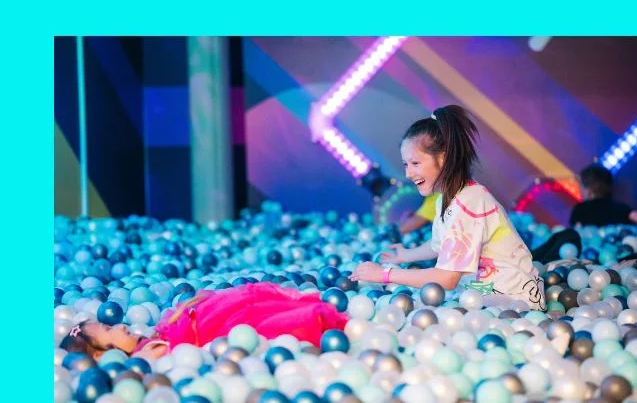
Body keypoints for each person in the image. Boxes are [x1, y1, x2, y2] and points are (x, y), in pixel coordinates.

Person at [350, 105, 545, 310]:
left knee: (436, 309)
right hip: (483, 290)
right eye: (406, 164)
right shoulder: (446, 198)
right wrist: (405, 255)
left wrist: (385, 275)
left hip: (516, 299)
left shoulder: (469, 203)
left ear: (443, 158)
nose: (408, 173)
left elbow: (448, 278)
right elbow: (440, 245)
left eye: (415, 163)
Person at [59, 282, 348, 361]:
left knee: (253, 305)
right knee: (263, 321)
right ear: (101, 355)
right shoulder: (143, 358)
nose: (120, 325)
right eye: (109, 330)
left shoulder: (146, 340)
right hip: (215, 332)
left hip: (211, 320)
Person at [570, 163, 637, 227]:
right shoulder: (621, 208)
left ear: (589, 192)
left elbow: (577, 231)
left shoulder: (580, 209)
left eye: (581, 187)